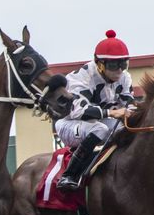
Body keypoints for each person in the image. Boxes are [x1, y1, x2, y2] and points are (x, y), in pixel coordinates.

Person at [55, 30, 136, 191]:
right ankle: (69, 175)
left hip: (97, 122)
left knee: (124, 128)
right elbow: (79, 111)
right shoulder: (81, 77)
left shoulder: (125, 77)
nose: (119, 70)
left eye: (123, 64)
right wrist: (111, 113)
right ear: (99, 64)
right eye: (114, 65)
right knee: (100, 128)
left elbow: (130, 105)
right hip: (71, 123)